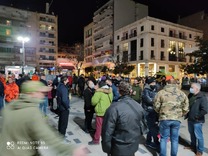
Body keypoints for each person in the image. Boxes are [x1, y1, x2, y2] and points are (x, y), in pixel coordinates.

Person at [0, 80, 86, 156]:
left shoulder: (10, 107)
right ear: (31, 94)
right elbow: (48, 136)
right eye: (40, 92)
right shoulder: (32, 112)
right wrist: (70, 149)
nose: (43, 95)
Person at [101, 80, 145, 156]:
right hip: (133, 145)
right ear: (131, 91)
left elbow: (107, 132)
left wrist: (107, 149)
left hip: (118, 148)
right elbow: (143, 127)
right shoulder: (138, 106)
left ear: (119, 91)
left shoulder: (113, 108)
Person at [154, 75, 189, 156]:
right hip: (176, 119)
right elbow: (186, 107)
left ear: (166, 83)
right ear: (176, 83)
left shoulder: (161, 93)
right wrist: (180, 114)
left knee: (163, 139)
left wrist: (161, 112)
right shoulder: (181, 94)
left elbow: (156, 106)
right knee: (174, 139)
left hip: (164, 119)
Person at [184, 83, 208, 156]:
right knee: (192, 134)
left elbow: (205, 110)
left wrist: (197, 116)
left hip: (197, 120)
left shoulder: (202, 97)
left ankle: (200, 151)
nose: (190, 89)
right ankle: (193, 146)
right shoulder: (191, 96)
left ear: (197, 89)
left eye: (192, 87)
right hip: (190, 119)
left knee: (199, 136)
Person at [88, 80, 113, 145]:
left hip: (100, 111)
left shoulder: (98, 92)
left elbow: (93, 102)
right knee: (106, 126)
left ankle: (96, 140)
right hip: (108, 111)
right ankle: (106, 139)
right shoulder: (110, 91)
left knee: (99, 126)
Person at [142, 77, 159, 150]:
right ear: (149, 83)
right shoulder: (146, 90)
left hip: (154, 111)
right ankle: (150, 141)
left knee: (153, 126)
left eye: (155, 83)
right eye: (152, 83)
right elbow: (149, 100)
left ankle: (151, 141)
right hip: (148, 111)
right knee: (151, 127)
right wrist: (157, 101)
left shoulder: (155, 89)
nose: (154, 84)